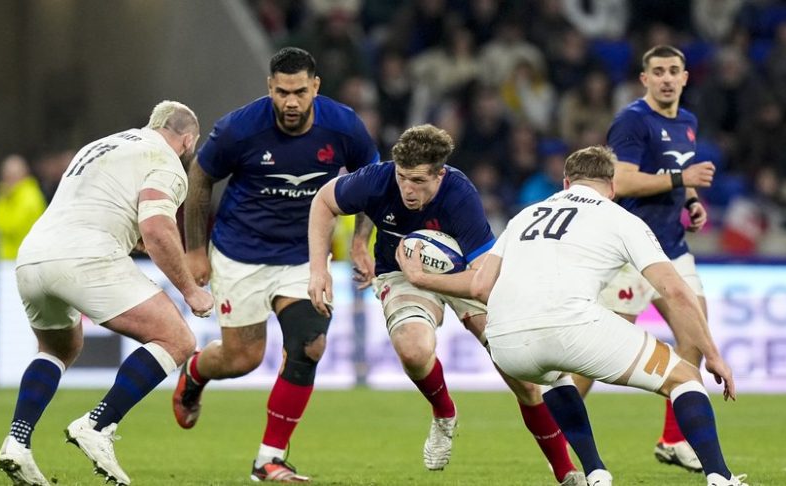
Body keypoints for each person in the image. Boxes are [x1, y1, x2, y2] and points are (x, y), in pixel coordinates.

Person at [308, 124, 585, 486]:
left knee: (522, 377)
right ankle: (444, 413)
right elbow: (323, 202)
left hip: (465, 274)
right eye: (403, 177)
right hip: (399, 271)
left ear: (440, 173)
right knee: (413, 349)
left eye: (419, 180)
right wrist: (319, 269)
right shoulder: (376, 180)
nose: (408, 189)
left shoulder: (460, 195)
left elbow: (482, 282)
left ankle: (565, 471)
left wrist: (429, 279)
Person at [473, 145, 747, 486]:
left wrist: (425, 278)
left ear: (566, 182)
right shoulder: (620, 218)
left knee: (555, 377)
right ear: (613, 187)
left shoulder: (525, 216)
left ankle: (596, 474)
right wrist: (713, 355)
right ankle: (721, 478)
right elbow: (675, 291)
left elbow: (480, 286)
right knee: (685, 378)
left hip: (506, 344)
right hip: (570, 327)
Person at [172, 47, 379, 483]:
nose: (290, 102)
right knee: (241, 359)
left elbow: (372, 179)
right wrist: (194, 249)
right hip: (239, 254)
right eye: (282, 92)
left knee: (310, 346)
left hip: (305, 257)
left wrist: (361, 241)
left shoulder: (342, 126)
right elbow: (201, 178)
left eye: (299, 92)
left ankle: (269, 458)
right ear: (270, 87)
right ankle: (195, 372)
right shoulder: (239, 128)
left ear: (315, 88)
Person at [0, 101, 212, 486]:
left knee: (59, 348)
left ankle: (17, 441)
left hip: (33, 255)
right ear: (188, 139)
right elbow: (158, 228)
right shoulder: (165, 160)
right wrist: (191, 291)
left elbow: (100, 208)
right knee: (177, 338)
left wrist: (136, 238)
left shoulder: (102, 145)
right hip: (84, 255)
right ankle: (97, 424)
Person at [572, 45, 718, 472]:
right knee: (601, 352)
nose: (668, 78)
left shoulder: (687, 122)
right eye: (659, 71)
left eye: (675, 70)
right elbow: (620, 180)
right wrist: (682, 179)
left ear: (686, 77)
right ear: (645, 79)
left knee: (695, 336)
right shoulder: (632, 120)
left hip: (672, 247)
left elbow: (680, 173)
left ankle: (674, 439)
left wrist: (690, 200)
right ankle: (562, 440)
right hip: (631, 250)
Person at [0, 154, 47, 260]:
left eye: (13, 175)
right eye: (7, 175)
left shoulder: (31, 196)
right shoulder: (2, 194)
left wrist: (1, 203)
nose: (10, 179)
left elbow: (12, 226)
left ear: (24, 175)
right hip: (2, 259)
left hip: (25, 260)